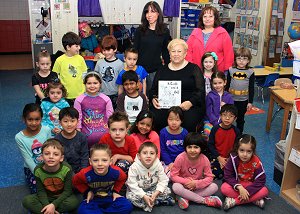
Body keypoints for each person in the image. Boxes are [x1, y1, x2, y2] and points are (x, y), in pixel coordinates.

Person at [149, 38, 205, 132]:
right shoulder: (162, 70)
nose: (176, 54)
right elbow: (153, 90)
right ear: (169, 53)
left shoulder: (194, 69)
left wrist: (190, 103)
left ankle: (187, 145)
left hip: (188, 106)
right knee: (157, 119)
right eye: (173, 51)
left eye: (179, 51)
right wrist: (154, 99)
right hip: (165, 106)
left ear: (185, 53)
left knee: (188, 122)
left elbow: (201, 91)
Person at [73, 144, 133, 214]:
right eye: (95, 160)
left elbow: (123, 178)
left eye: (104, 160)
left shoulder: (116, 172)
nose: (100, 164)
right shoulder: (85, 173)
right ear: (90, 162)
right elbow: (75, 181)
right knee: (82, 210)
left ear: (110, 161)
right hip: (94, 199)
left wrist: (115, 191)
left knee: (127, 206)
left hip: (111, 198)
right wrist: (87, 191)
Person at [22, 139, 79, 214]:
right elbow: (40, 191)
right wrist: (47, 205)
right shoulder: (38, 170)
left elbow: (67, 191)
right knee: (27, 200)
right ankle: (51, 211)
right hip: (46, 196)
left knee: (74, 202)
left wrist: (53, 205)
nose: (51, 157)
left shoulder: (67, 168)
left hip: (61, 196)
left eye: (55, 154)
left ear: (61, 158)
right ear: (42, 157)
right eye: (47, 154)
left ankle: (49, 211)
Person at [171, 132, 222, 210]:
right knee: (175, 187)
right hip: (183, 185)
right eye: (189, 147)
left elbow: (209, 177)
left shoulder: (204, 159)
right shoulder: (180, 158)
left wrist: (196, 183)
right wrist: (186, 181)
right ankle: (204, 200)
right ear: (185, 147)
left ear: (201, 148)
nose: (192, 150)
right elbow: (173, 175)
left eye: (196, 147)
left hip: (197, 186)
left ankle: (186, 198)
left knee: (214, 187)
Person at [221, 134, 269, 210]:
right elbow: (228, 176)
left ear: (253, 151)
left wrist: (247, 192)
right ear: (237, 149)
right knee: (224, 188)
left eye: (249, 151)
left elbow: (261, 180)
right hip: (237, 185)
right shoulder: (233, 159)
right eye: (242, 150)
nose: (245, 154)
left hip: (250, 185)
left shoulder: (256, 162)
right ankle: (253, 200)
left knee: (265, 191)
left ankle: (234, 201)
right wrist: (240, 188)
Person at [134, 1, 171, 94]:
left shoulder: (165, 31)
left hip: (156, 70)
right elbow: (135, 50)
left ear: (158, 13)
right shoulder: (140, 30)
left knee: (154, 96)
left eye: (152, 11)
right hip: (140, 70)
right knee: (140, 97)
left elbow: (165, 52)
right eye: (147, 12)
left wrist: (168, 69)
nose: (149, 15)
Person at [126, 142, 174, 212]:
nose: (148, 156)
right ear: (139, 156)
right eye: (145, 153)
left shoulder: (158, 165)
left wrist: (156, 193)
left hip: (153, 188)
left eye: (152, 153)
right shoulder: (134, 167)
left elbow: (164, 180)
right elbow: (132, 184)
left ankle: (149, 201)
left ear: (156, 156)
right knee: (130, 197)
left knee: (167, 190)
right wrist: (144, 196)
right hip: (139, 189)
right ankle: (156, 202)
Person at [15, 103, 52, 193]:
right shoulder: (19, 137)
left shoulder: (46, 130)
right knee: (38, 190)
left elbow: (50, 149)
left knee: (57, 185)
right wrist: (39, 174)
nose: (34, 123)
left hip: (49, 164)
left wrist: (50, 168)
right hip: (32, 168)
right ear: (24, 119)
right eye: (30, 119)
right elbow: (27, 159)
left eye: (37, 119)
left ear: (41, 119)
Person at [185, 6, 234, 72]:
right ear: (201, 19)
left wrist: (227, 70)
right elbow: (188, 51)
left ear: (215, 18)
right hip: (197, 70)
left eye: (210, 16)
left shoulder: (222, 33)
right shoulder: (195, 32)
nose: (207, 19)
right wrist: (190, 66)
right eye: (205, 16)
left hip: (217, 71)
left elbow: (228, 53)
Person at [74, 72, 114, 148]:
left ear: (100, 84)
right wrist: (79, 137)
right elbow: (78, 119)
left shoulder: (106, 99)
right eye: (89, 83)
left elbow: (110, 118)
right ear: (84, 84)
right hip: (86, 139)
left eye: (95, 83)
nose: (92, 86)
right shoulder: (79, 100)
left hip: (105, 139)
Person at [52, 31, 88, 106]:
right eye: (76, 46)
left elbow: (85, 74)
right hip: (65, 95)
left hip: (80, 94)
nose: (79, 48)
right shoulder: (59, 60)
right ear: (68, 47)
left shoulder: (80, 58)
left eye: (79, 45)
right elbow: (55, 76)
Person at [208, 104, 240, 179]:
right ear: (220, 116)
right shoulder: (215, 129)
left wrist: (230, 158)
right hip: (217, 157)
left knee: (235, 175)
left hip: (230, 158)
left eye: (231, 116)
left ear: (235, 118)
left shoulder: (236, 131)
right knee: (216, 174)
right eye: (224, 115)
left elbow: (237, 147)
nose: (227, 118)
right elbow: (210, 145)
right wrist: (219, 158)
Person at [227, 47, 254, 134]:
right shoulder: (231, 70)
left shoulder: (250, 72)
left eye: (244, 59)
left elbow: (251, 88)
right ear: (235, 59)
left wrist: (250, 102)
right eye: (239, 58)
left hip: (243, 100)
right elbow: (227, 85)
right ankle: (228, 132)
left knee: (240, 118)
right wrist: (225, 97)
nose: (241, 61)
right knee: (229, 117)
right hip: (231, 99)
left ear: (248, 60)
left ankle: (239, 134)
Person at [55, 107, 89, 173]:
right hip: (65, 171)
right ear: (60, 122)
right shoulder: (57, 139)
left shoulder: (82, 137)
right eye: (65, 121)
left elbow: (84, 156)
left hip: (81, 171)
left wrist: (83, 172)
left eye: (72, 121)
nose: (69, 124)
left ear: (77, 121)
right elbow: (61, 159)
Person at [94, 35, 124, 109]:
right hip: (101, 94)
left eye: (108, 50)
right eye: (104, 50)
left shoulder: (120, 64)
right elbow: (95, 79)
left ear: (115, 49)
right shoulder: (99, 63)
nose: (106, 53)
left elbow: (121, 84)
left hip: (115, 95)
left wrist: (120, 98)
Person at [203, 72, 234, 140]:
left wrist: (226, 106)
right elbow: (209, 112)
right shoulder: (210, 96)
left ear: (225, 82)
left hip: (225, 121)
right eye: (215, 83)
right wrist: (215, 122)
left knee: (228, 135)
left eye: (220, 83)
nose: (217, 85)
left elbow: (232, 110)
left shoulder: (229, 96)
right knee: (208, 133)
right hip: (210, 121)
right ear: (212, 83)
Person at [160, 106, 188, 177]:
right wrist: (170, 163)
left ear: (181, 121)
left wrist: (180, 162)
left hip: (182, 161)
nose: (174, 122)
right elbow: (163, 150)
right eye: (171, 119)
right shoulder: (163, 132)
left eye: (177, 120)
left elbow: (186, 150)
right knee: (164, 175)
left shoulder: (185, 133)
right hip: (167, 161)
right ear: (167, 119)